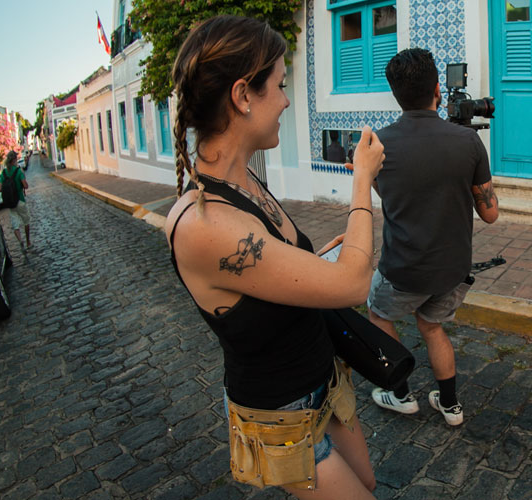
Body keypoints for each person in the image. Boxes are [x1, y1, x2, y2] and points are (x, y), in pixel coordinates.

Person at [165, 15, 384, 499]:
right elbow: (352, 285)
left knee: (366, 483)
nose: (287, 99)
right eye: (280, 86)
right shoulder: (206, 224)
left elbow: (276, 269)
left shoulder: (241, 180)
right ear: (243, 96)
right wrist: (362, 181)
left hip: (322, 381)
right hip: (282, 412)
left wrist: (311, 263)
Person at [366, 48, 499, 426]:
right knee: (432, 326)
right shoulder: (468, 142)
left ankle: (401, 394)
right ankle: (451, 405)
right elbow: (490, 214)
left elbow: (386, 197)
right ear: (438, 89)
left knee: (377, 314)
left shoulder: (379, 145)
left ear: (396, 94)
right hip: (453, 270)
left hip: (403, 269)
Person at [0, 151, 32, 252]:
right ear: (14, 160)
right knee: (26, 221)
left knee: (15, 225)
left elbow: (0, 189)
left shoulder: (4, 173)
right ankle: (28, 242)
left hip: (10, 203)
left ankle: (20, 240)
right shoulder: (18, 171)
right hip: (20, 200)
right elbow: (26, 185)